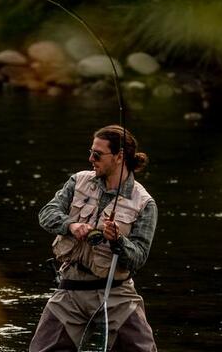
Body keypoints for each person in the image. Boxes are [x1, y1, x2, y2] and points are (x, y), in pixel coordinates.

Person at [30, 125, 158, 352]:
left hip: (117, 295)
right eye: (91, 152)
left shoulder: (144, 203)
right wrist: (71, 225)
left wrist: (118, 240)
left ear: (119, 156)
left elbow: (139, 257)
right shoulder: (78, 181)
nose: (91, 158)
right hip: (70, 289)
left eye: (97, 155)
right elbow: (46, 214)